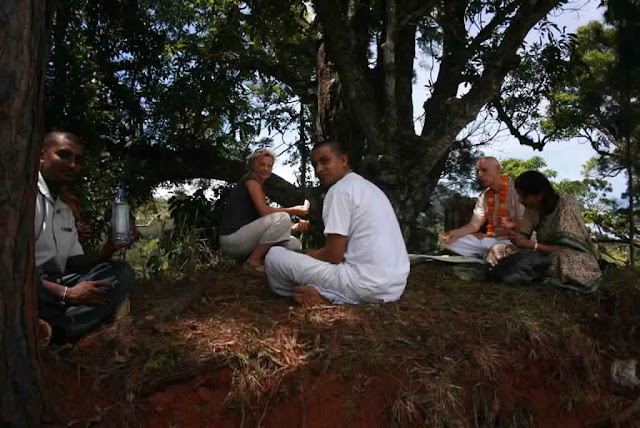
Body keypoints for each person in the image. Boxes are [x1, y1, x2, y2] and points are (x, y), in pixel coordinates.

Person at [264, 139, 410, 306]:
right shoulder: (371, 189)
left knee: (274, 257)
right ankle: (326, 291)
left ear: (343, 161)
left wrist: (311, 255)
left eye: (325, 161)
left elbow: (333, 255)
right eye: (314, 164)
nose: (318, 169)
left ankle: (326, 297)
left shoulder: (340, 190)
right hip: (395, 287)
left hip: (363, 284)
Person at [36, 131, 136, 345]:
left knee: (120, 273)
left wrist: (109, 246)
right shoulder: (23, 199)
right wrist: (67, 293)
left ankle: (53, 328)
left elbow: (74, 262)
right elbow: (14, 272)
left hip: (57, 283)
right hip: (30, 284)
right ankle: (62, 327)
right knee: (36, 290)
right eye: (64, 155)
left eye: (78, 160)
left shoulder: (65, 209)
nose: (72, 164)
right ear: (41, 156)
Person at [487, 170, 601, 291]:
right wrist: (516, 238)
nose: (520, 200)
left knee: (562, 261)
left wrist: (533, 245)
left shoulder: (566, 205)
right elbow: (523, 240)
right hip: (541, 256)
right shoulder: (531, 209)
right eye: (519, 195)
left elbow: (569, 249)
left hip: (571, 256)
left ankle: (531, 274)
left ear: (540, 195)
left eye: (524, 196)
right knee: (498, 249)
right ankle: (529, 274)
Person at [219, 149, 310, 272]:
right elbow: (265, 212)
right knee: (283, 217)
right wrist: (294, 210)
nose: (266, 168)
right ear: (254, 165)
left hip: (243, 240)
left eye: (269, 166)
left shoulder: (259, 187)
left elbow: (264, 223)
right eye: (262, 164)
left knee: (293, 244)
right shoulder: (251, 181)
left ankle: (268, 263)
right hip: (232, 241)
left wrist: (293, 227)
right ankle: (253, 261)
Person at [440, 157, 524, 259]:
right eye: (478, 171)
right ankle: (487, 254)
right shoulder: (485, 196)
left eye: (484, 170)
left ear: (498, 169)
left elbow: (528, 223)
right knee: (449, 241)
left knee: (502, 248)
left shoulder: (517, 190)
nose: (480, 175)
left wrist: (511, 225)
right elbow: (474, 225)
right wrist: (456, 233)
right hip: (490, 240)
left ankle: (487, 254)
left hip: (513, 240)